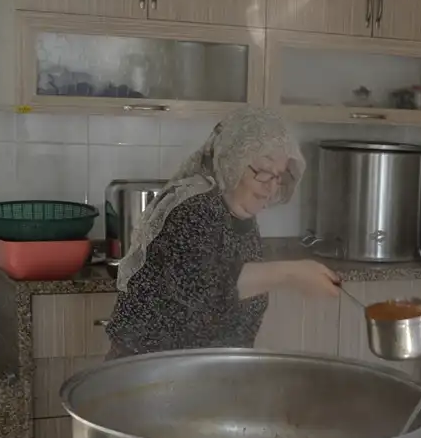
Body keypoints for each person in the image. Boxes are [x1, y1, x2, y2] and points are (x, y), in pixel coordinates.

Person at [106, 106, 340, 358]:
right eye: (262, 173)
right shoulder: (195, 206)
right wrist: (292, 273)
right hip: (148, 369)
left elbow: (234, 293)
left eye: (278, 176)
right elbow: (204, 285)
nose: (270, 188)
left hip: (199, 369)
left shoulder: (241, 214)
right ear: (233, 161)